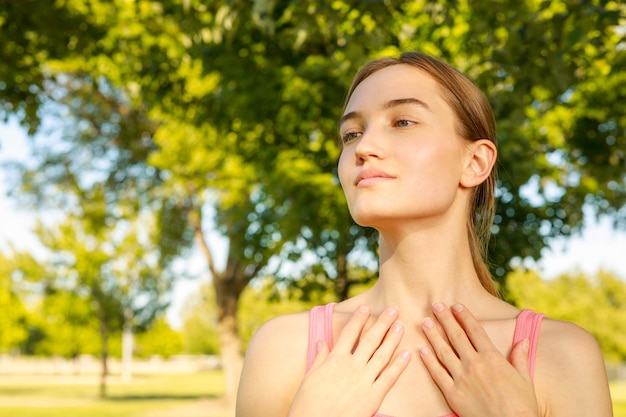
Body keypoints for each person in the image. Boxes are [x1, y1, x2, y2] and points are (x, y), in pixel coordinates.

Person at [235, 51, 613, 417]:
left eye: (403, 122)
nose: (363, 148)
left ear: (475, 162)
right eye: (351, 134)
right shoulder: (283, 347)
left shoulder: (561, 354)